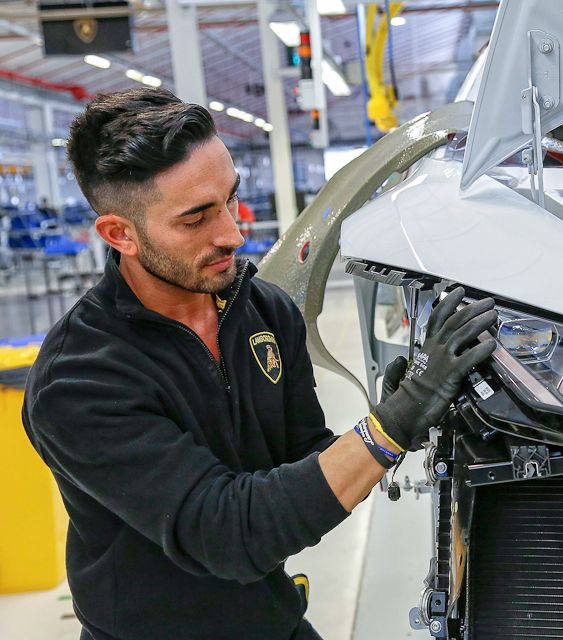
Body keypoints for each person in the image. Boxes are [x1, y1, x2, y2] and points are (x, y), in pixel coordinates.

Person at [21, 87, 497, 640]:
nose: (233, 233)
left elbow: (305, 460)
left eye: (231, 199)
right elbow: (231, 535)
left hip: (272, 619)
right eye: (196, 219)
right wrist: (391, 427)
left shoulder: (262, 310)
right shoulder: (79, 379)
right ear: (119, 233)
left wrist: (392, 419)